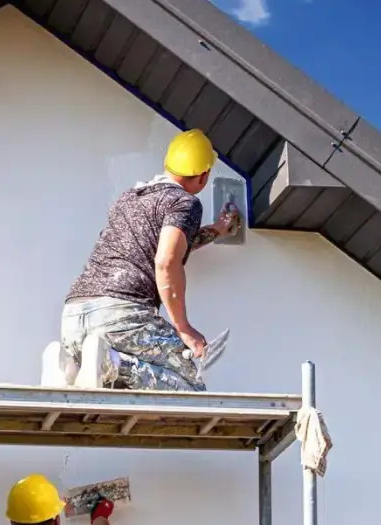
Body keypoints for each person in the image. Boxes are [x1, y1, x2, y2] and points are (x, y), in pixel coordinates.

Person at [48, 128, 242, 392]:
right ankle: (110, 362)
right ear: (204, 175)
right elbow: (166, 260)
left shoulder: (129, 198)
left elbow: (169, 243)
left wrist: (217, 230)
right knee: (189, 385)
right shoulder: (184, 202)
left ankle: (68, 366)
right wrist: (183, 327)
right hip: (120, 316)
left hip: (73, 316)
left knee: (115, 385)